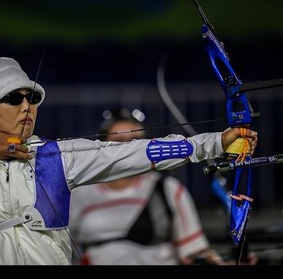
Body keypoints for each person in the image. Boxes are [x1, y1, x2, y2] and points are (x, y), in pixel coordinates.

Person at [0, 57, 258, 265]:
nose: (26, 108)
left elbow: (132, 152)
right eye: (13, 100)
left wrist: (214, 142)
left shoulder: (54, 156)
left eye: (30, 98)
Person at [69, 109, 224, 265]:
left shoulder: (168, 189)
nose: (128, 149)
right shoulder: (79, 194)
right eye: (119, 142)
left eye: (136, 141)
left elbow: (194, 251)